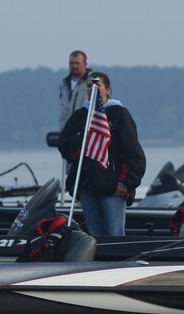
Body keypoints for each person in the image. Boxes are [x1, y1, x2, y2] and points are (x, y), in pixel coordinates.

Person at [57, 71, 146, 236]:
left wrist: (124, 183)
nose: (92, 89)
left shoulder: (120, 114)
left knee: (114, 233)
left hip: (113, 187)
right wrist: (83, 137)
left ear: (108, 90)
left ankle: (116, 261)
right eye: (89, 86)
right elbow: (64, 147)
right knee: (93, 234)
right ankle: (95, 262)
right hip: (87, 187)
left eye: (97, 85)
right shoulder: (79, 116)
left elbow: (133, 153)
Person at [59, 50, 91, 130]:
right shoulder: (65, 83)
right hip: (67, 130)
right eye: (71, 63)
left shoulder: (92, 81)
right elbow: (64, 109)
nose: (74, 66)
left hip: (85, 130)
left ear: (85, 64)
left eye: (77, 63)